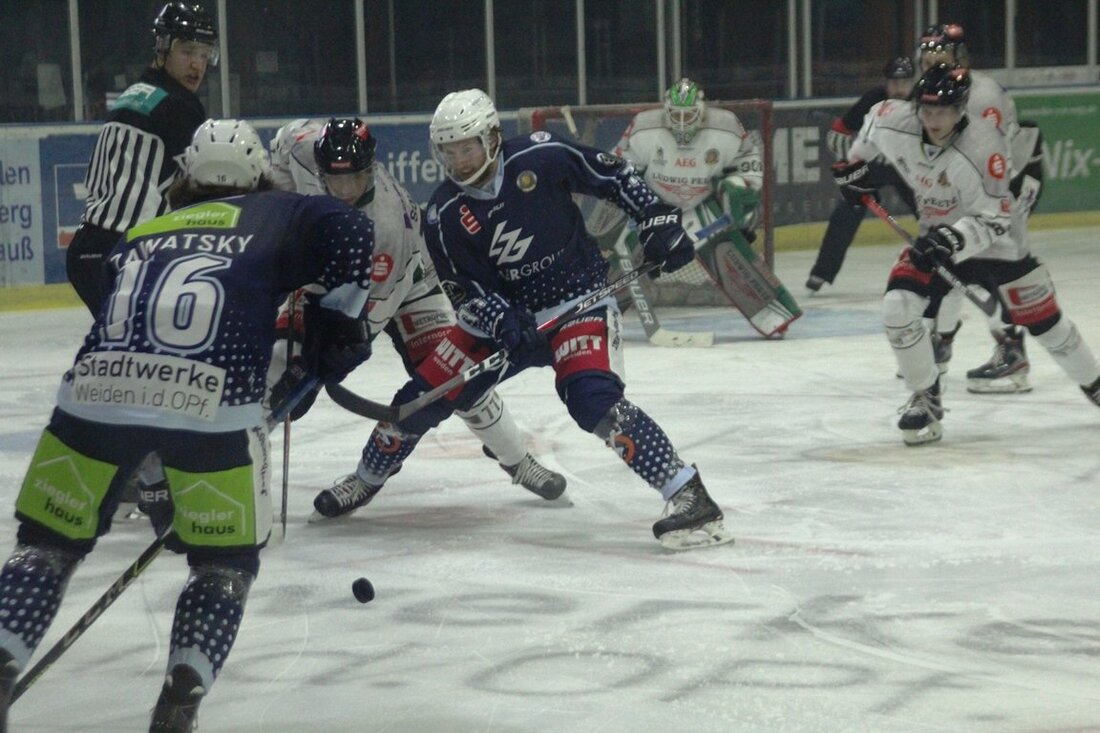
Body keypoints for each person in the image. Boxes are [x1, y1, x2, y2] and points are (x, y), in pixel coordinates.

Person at [0, 119, 375, 731]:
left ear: (184, 178)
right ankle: (181, 699)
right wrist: (339, 320)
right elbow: (353, 229)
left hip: (92, 397)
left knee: (45, 549)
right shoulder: (278, 211)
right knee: (222, 566)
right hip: (211, 408)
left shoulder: (142, 231)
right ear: (259, 176)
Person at [368, 89, 731, 550]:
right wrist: (500, 319)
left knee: (592, 398)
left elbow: (613, 175)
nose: (458, 161)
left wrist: (656, 218)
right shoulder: (442, 214)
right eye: (449, 152)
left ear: (492, 138)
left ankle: (688, 495)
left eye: (467, 148)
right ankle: (363, 479)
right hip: (509, 322)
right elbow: (464, 292)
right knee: (423, 396)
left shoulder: (540, 154)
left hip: (579, 301)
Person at [267, 117, 566, 518]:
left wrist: (322, 363)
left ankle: (517, 461)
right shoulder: (305, 145)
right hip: (340, 269)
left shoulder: (384, 225)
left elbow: (360, 324)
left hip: (411, 281)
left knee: (455, 378)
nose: (345, 191)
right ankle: (232, 457)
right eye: (335, 180)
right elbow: (282, 145)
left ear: (370, 168)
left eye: (354, 179)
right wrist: (277, 201)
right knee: (277, 365)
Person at [832, 64, 1100, 446]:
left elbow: (995, 220)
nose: (933, 120)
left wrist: (952, 240)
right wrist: (853, 171)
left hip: (999, 247)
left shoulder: (983, 146)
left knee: (1049, 327)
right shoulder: (893, 117)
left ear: (960, 110)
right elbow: (867, 135)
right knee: (897, 306)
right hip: (936, 240)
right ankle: (926, 397)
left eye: (942, 112)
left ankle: (1095, 384)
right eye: (926, 110)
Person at [66, 2, 219, 518]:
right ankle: (150, 480)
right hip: (121, 256)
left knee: (134, 367)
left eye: (204, 52)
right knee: (153, 371)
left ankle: (128, 468)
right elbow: (206, 185)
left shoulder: (137, 92)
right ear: (163, 50)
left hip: (90, 250)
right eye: (187, 50)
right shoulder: (181, 108)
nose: (197, 63)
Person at [610, 78, 800, 337]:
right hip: (656, 206)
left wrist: (738, 187)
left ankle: (774, 314)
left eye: (688, 115)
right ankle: (597, 315)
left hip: (702, 204)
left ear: (701, 111)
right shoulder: (644, 127)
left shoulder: (726, 127)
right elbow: (619, 166)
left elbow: (748, 161)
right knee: (627, 260)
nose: (681, 122)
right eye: (676, 115)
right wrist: (635, 201)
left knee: (729, 253)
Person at [916, 23, 1046, 393]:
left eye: (940, 55)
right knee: (948, 267)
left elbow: (992, 155)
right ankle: (940, 345)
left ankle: (1012, 354)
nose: (931, 62)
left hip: (1000, 191)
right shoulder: (937, 90)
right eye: (926, 56)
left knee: (994, 269)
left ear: (959, 57)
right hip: (967, 195)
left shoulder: (980, 93)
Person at [807, 56, 918, 293]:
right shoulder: (873, 100)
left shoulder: (921, 101)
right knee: (847, 211)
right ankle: (822, 272)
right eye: (894, 82)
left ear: (912, 82)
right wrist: (850, 164)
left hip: (908, 168)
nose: (900, 88)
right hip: (872, 167)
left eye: (905, 82)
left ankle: (952, 262)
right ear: (886, 83)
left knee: (932, 210)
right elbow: (839, 132)